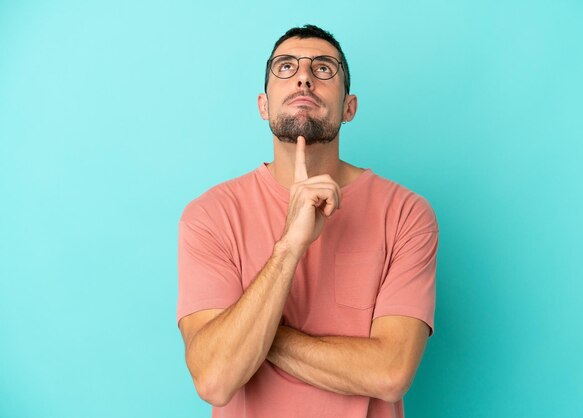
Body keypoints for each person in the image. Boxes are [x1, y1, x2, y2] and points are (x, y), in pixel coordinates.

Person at [176, 24, 439, 418]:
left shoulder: (406, 213)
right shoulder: (210, 215)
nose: (303, 76)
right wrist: (289, 247)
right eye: (285, 67)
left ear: (349, 107)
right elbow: (215, 378)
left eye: (323, 69)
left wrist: (259, 338)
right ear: (263, 105)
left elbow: (390, 373)